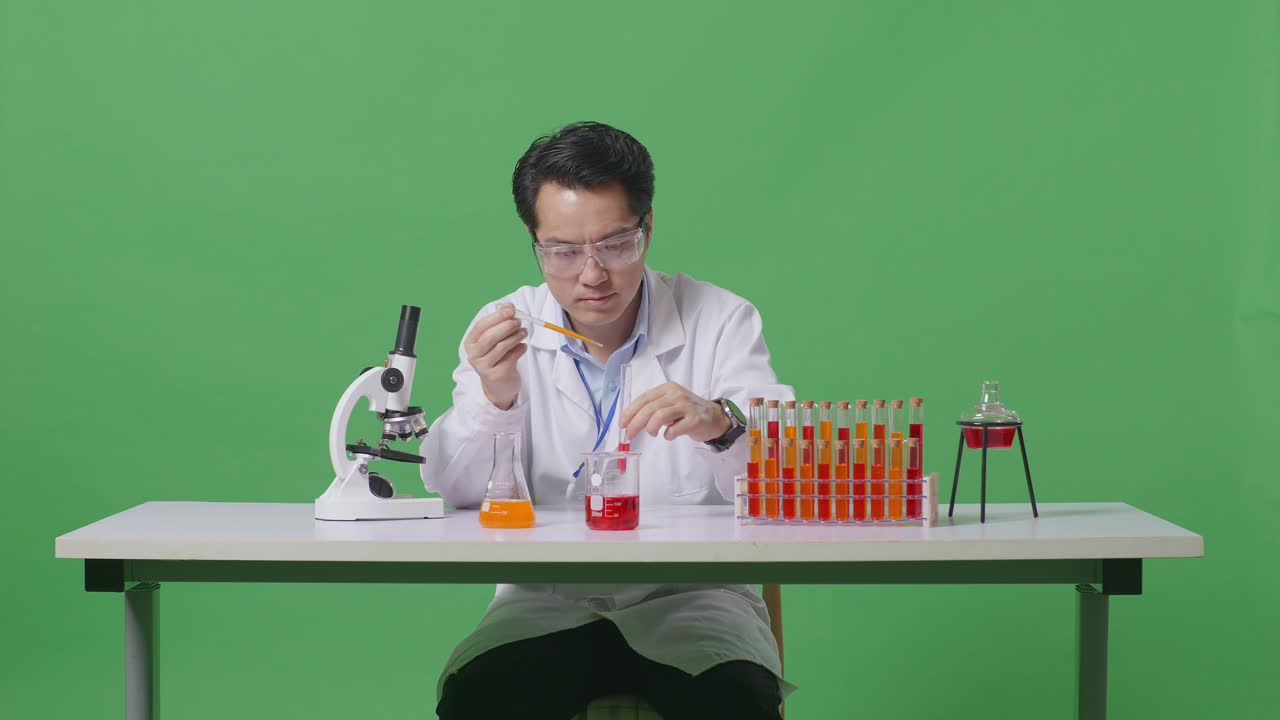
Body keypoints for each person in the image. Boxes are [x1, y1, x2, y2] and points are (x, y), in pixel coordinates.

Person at [423, 121, 793, 720]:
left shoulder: (721, 320)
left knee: (737, 705)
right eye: (564, 251)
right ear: (533, 241)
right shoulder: (504, 328)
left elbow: (780, 484)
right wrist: (496, 396)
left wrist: (720, 423)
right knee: (477, 701)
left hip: (693, 602)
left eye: (614, 244)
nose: (591, 274)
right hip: (546, 604)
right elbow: (455, 490)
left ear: (647, 228)